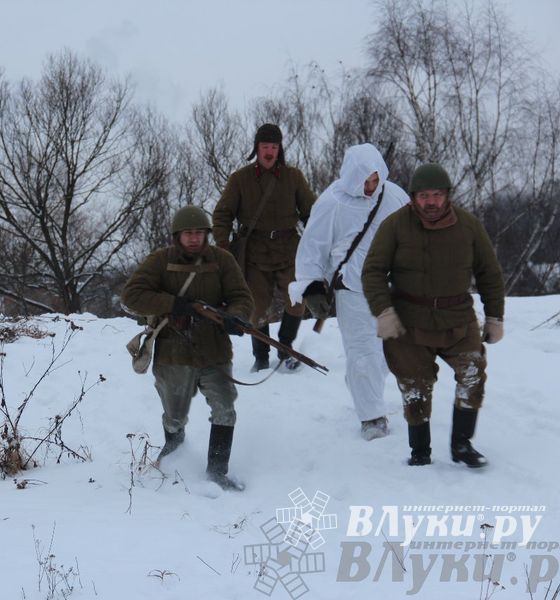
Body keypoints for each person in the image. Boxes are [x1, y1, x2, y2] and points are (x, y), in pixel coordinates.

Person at [361, 164, 505, 467]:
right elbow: (373, 271)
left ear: (447, 196)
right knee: (415, 387)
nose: (431, 202)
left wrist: (494, 317)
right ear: (414, 198)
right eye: (424, 195)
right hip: (409, 322)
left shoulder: (468, 226)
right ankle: (420, 451)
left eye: (437, 195)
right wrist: (383, 311)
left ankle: (462, 445)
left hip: (458, 318)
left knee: (472, 374)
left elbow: (489, 273)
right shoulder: (395, 225)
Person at [122, 205, 254, 491]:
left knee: (224, 407)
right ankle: (174, 450)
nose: (194, 239)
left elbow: (241, 297)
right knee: (174, 415)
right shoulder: (160, 261)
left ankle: (217, 472)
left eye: (199, 233)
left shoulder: (223, 260)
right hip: (174, 351)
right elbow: (132, 295)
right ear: (177, 236)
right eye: (188, 233)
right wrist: (174, 304)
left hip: (214, 349)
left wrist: (235, 317)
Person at [288, 144, 409, 441]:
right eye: (365, 180)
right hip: (353, 289)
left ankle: (365, 391)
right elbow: (312, 248)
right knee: (362, 353)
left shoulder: (394, 196)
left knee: (385, 353)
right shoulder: (332, 202)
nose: (371, 186)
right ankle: (372, 417)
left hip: (390, 287)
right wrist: (312, 286)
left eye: (375, 179)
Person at [212, 123, 316, 372]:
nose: (269, 152)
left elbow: (311, 212)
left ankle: (286, 347)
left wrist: (319, 239)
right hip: (254, 251)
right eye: (265, 146)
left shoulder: (294, 177)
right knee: (256, 307)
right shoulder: (240, 179)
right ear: (256, 149)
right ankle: (260, 356)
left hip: (289, 247)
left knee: (297, 299)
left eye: (274, 147)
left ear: (279, 149)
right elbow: (223, 213)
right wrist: (224, 246)